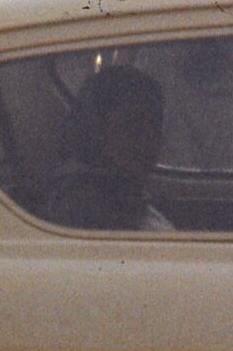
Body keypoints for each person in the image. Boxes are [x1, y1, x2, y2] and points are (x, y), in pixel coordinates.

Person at [40, 65, 172, 231]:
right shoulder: (82, 207)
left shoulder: (127, 194)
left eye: (155, 124)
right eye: (133, 124)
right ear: (98, 130)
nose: (149, 137)